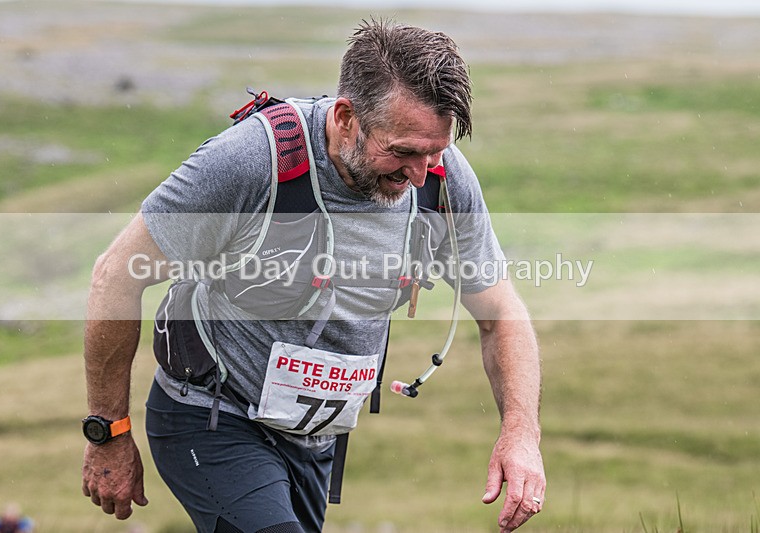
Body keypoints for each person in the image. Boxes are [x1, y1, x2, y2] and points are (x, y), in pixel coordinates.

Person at [81, 19, 545, 533]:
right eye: (403, 152)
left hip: (315, 444)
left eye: (435, 151)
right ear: (346, 118)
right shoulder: (249, 163)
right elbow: (115, 277)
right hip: (212, 416)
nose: (420, 173)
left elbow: (499, 312)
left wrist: (521, 434)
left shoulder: (443, 179)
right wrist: (108, 431)